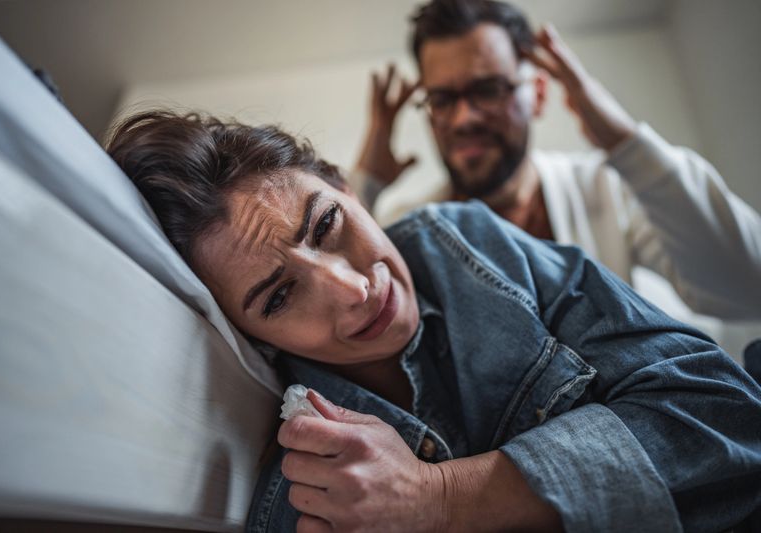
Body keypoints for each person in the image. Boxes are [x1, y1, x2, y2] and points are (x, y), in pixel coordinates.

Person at [107, 110, 761, 532]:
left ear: (347, 187)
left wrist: (441, 496)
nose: (355, 288)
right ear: (250, 337)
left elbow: (727, 414)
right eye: (279, 298)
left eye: (329, 225)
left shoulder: (466, 242)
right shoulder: (301, 484)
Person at [353, 0, 761, 325]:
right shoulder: (412, 223)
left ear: (539, 95)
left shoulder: (604, 186)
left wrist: (626, 144)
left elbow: (747, 287)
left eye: (489, 89)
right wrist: (364, 185)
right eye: (442, 100)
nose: (463, 119)